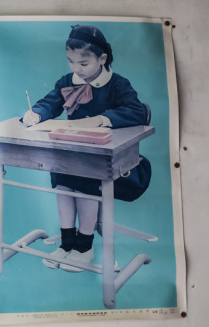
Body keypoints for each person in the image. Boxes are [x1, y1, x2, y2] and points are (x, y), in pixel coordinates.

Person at [22, 25, 148, 272]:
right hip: (71, 155)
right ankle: (67, 242)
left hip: (107, 162)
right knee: (61, 182)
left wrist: (102, 119)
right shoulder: (67, 81)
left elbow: (137, 111)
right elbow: (50, 103)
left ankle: (85, 246)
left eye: (83, 63)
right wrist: (35, 114)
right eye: (70, 62)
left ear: (102, 59)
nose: (76, 69)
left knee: (85, 184)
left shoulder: (118, 84)